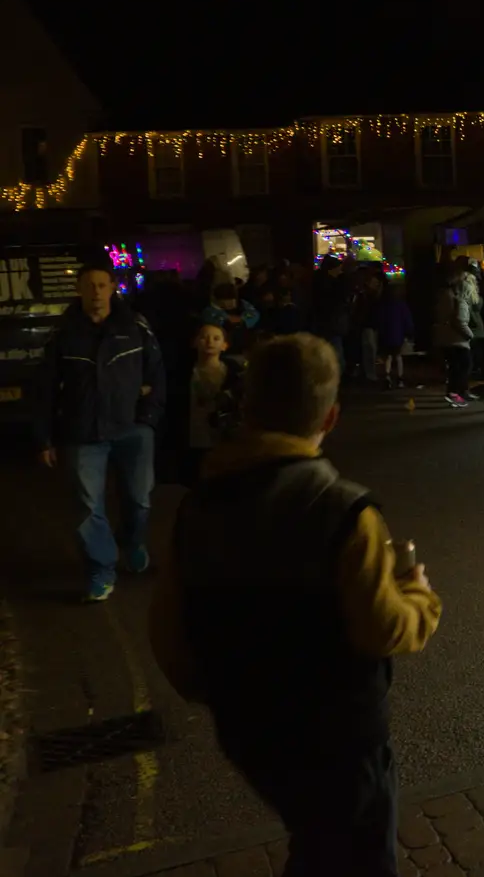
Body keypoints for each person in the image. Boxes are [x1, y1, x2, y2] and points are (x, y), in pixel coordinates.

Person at [148, 333, 442, 876]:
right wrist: (418, 595)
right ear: (329, 418)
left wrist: (221, 690)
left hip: (249, 730)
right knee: (357, 854)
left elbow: (169, 634)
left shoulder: (199, 508)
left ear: (248, 406)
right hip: (337, 737)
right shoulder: (343, 512)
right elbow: (382, 628)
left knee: (314, 842)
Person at [32, 259, 166, 601]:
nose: (96, 292)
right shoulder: (64, 334)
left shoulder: (135, 326)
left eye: (102, 285)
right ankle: (101, 568)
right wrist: (44, 437)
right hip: (81, 431)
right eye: (89, 285)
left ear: (112, 288)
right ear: (78, 290)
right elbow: (45, 387)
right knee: (88, 507)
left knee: (139, 499)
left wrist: (148, 416)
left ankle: (132, 542)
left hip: (132, 429)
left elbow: (157, 372)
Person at [160, 322, 244, 487]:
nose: (209, 342)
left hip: (222, 441)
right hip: (192, 440)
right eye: (204, 337)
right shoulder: (180, 374)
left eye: (216, 338)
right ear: (194, 342)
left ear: (224, 345)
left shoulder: (235, 375)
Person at [433, 263, 474, 408]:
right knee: (462, 367)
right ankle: (455, 395)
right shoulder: (457, 299)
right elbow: (459, 321)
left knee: (456, 368)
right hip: (456, 339)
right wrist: (470, 335)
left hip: (447, 338)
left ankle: (457, 394)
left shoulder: (443, 295)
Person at [371, 279, 414, 390]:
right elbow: (407, 320)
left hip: (386, 335)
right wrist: (409, 333)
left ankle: (387, 376)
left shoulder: (383, 305)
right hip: (398, 336)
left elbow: (379, 320)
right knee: (398, 357)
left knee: (388, 357)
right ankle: (400, 378)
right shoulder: (401, 305)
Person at [201, 282, 261, 353]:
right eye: (226, 300)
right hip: (222, 347)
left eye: (232, 300)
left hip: (244, 345)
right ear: (218, 300)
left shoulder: (242, 304)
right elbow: (214, 322)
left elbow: (254, 314)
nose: (230, 303)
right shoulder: (210, 311)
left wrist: (243, 319)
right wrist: (226, 319)